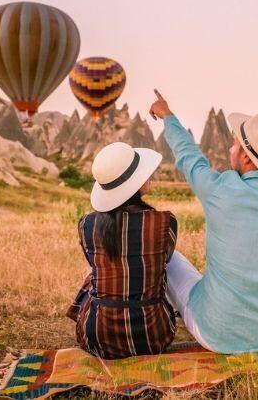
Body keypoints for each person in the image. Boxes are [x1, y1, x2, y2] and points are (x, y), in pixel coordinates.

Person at [149, 89, 258, 354]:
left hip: (215, 335)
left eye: (235, 144)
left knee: (169, 257)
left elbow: (189, 157)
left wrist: (167, 116)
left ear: (246, 157)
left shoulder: (221, 191)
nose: (230, 148)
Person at [66, 141, 179, 359]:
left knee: (94, 276)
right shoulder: (165, 222)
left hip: (98, 338)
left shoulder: (86, 225)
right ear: (136, 184)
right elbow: (165, 260)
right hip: (153, 336)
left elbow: (93, 264)